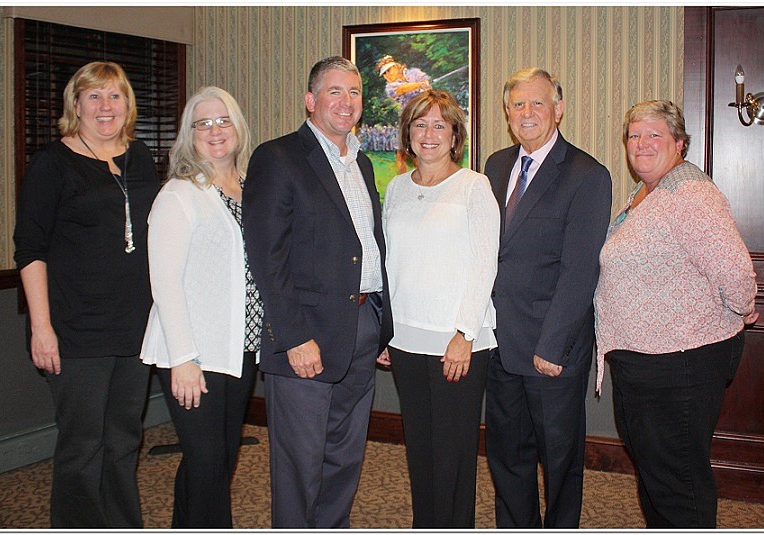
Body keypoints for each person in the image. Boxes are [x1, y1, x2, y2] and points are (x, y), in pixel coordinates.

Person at [241, 56, 393, 529]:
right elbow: (268, 257)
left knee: (345, 457)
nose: (346, 103)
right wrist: (293, 337)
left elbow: (366, 244)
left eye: (354, 93)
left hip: (362, 326)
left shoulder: (362, 163)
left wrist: (381, 324)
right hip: (305, 336)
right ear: (310, 100)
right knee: (299, 465)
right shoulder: (278, 157)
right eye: (334, 92)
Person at [594, 100, 758, 528]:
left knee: (678, 483)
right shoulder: (648, 193)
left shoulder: (690, 193)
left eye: (654, 135)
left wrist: (743, 308)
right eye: (634, 135)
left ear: (679, 144)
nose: (642, 144)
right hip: (646, 363)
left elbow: (736, 271)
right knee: (656, 476)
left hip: (679, 364)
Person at [13, 61, 159, 528]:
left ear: (127, 104)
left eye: (114, 96)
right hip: (77, 331)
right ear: (75, 104)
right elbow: (31, 250)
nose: (104, 106)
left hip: (135, 329)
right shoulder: (51, 163)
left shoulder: (142, 158)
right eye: (93, 96)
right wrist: (42, 329)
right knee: (82, 447)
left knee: (123, 441)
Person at [483, 67, 612, 528]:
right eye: (518, 104)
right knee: (507, 456)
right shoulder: (495, 166)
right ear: (507, 113)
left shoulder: (586, 174)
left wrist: (551, 347)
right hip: (499, 344)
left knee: (560, 461)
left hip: (551, 351)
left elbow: (580, 271)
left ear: (559, 109)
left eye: (538, 103)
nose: (527, 112)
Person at [139, 86, 262, 527]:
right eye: (202, 123)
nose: (214, 131)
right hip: (196, 354)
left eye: (223, 120)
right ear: (188, 135)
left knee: (213, 461)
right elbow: (165, 285)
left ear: (239, 128)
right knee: (209, 466)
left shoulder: (251, 188)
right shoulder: (179, 194)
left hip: (240, 349)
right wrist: (184, 359)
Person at [376, 89, 499, 528]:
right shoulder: (395, 189)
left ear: (454, 135)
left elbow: (485, 264)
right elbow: (390, 264)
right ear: (407, 134)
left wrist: (465, 333)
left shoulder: (474, 186)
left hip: (457, 342)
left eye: (438, 125)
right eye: (419, 125)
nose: (428, 134)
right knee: (421, 451)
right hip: (406, 341)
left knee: (453, 455)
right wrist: (385, 331)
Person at [376, 55, 433, 174]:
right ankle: (401, 180)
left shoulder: (414, 73)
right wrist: (419, 85)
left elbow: (428, 86)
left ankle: (423, 178)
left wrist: (426, 85)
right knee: (401, 151)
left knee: (419, 150)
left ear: (396, 67)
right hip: (406, 119)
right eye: (384, 74)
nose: (387, 75)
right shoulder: (390, 87)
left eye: (389, 71)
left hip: (422, 117)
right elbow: (401, 89)